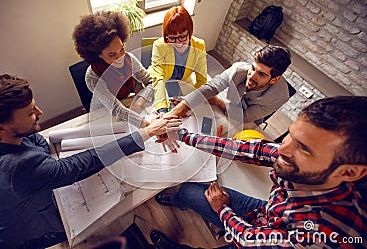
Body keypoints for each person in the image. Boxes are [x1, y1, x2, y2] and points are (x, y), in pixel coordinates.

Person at [0, 74, 181, 249]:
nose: (40, 113)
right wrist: (147, 132)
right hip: (26, 233)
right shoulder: (15, 170)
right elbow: (79, 165)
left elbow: (38, 142)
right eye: (30, 113)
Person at [153, 96, 367, 248]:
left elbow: (247, 239)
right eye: (291, 135)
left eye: (303, 148)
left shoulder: (325, 235)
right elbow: (246, 149)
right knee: (188, 191)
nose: (282, 149)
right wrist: (182, 134)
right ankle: (181, 200)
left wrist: (222, 209)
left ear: (349, 172)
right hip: (267, 214)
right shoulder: (300, 161)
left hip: (256, 239)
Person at [165, 45, 292, 124]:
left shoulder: (280, 97)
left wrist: (216, 101)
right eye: (253, 68)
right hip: (229, 102)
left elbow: (245, 117)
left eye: (262, 74)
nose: (252, 76)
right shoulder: (239, 69)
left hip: (245, 121)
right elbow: (212, 87)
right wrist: (180, 108)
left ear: (274, 80)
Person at [73, 10, 154, 128]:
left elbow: (151, 82)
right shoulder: (92, 76)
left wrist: (139, 102)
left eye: (121, 49)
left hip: (128, 106)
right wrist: (148, 125)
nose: (121, 57)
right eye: (112, 55)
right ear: (98, 54)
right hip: (105, 117)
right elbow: (116, 109)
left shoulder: (128, 59)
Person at [148, 5, 208, 114]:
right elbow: (158, 79)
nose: (178, 43)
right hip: (160, 82)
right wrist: (162, 110)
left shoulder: (199, 45)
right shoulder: (159, 45)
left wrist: (186, 104)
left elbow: (202, 80)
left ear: (190, 33)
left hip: (183, 81)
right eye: (172, 38)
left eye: (182, 36)